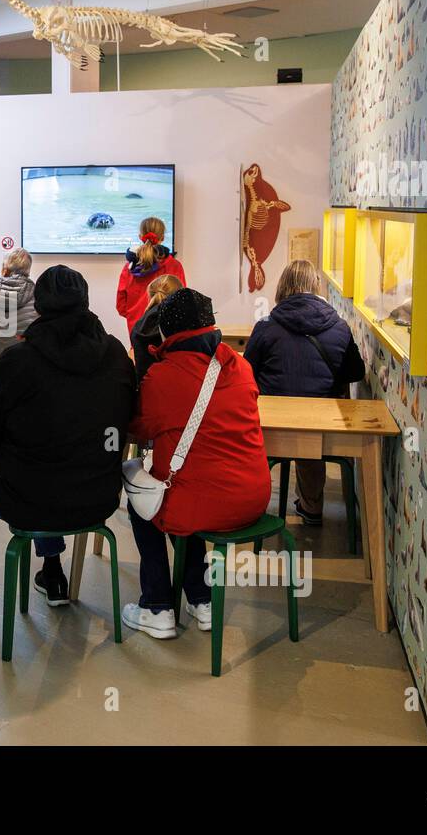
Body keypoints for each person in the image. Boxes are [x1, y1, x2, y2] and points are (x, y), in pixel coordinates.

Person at [0, 265, 136, 610]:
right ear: (87, 301)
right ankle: (53, 572)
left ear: (39, 306)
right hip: (100, 496)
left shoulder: (15, 361)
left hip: (29, 501)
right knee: (57, 464)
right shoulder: (117, 354)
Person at [122, 288, 272, 639]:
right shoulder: (242, 367)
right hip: (254, 499)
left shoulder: (163, 377)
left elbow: (138, 427)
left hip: (204, 506)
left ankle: (157, 607)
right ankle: (202, 600)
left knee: (147, 502)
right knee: (189, 493)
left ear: (166, 332)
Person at [242, 260, 365, 525]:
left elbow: (247, 371)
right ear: (316, 286)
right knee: (312, 439)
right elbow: (355, 372)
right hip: (320, 426)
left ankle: (252, 505)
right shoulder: (340, 326)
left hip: (269, 424)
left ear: (283, 286)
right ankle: (312, 506)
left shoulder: (266, 325)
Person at [116, 216, 186, 335]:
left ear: (140, 237)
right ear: (162, 237)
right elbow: (182, 299)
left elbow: (121, 305)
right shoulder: (174, 265)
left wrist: (134, 316)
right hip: (168, 330)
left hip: (137, 328)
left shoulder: (129, 268)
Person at [128, 272, 185, 380]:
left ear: (150, 296)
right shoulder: (182, 325)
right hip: (176, 385)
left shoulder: (139, 327)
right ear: (181, 297)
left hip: (146, 389)